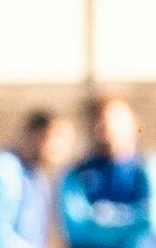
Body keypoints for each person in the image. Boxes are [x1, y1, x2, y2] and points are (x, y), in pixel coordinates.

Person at [0, 109, 73, 248]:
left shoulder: (38, 179)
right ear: (33, 135)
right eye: (57, 136)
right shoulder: (3, 170)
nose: (62, 146)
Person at [66, 97, 154, 248]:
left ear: (134, 123)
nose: (107, 125)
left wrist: (103, 214)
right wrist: (134, 216)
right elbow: (79, 229)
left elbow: (151, 219)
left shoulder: (148, 168)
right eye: (100, 119)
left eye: (116, 117)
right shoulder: (75, 175)